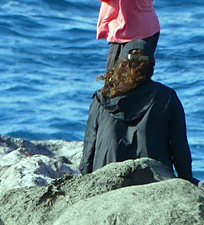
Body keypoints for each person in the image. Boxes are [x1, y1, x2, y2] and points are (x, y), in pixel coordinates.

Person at [78, 40, 194, 181]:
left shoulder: (101, 98)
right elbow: (179, 146)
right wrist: (187, 179)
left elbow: (89, 146)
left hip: (106, 178)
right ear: (151, 67)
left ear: (120, 64)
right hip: (152, 179)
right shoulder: (166, 97)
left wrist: (87, 179)